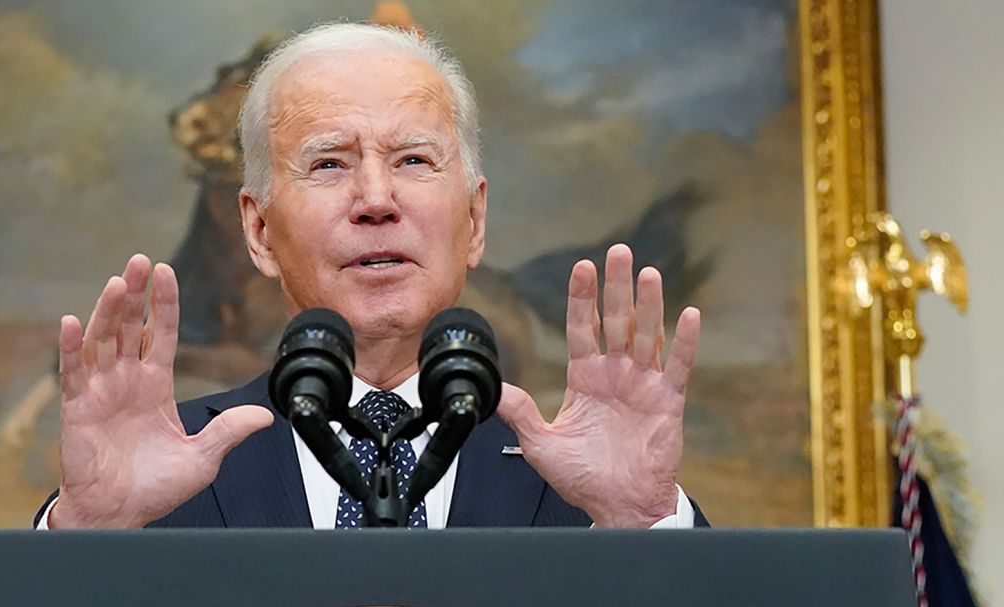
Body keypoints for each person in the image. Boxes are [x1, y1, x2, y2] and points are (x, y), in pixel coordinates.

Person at [36, 22, 705, 530]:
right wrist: (88, 537)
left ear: (474, 221)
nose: (377, 199)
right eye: (329, 165)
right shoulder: (165, 473)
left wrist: (649, 523)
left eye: (413, 159)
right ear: (259, 232)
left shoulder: (574, 482)